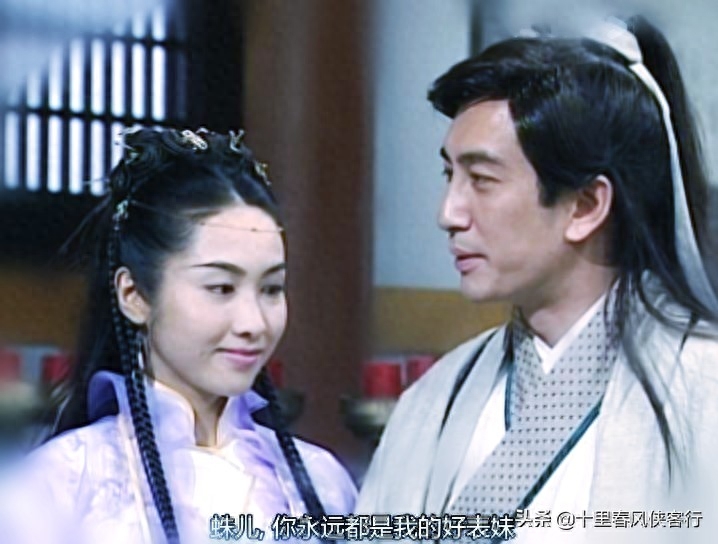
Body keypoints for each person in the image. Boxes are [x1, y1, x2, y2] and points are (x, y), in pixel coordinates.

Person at [356, 15, 718, 543]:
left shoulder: (705, 392)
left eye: (482, 179)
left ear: (586, 205)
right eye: (449, 175)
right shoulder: (433, 399)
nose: (448, 213)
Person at [0, 128, 356, 543]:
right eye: (221, 288)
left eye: (271, 289)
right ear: (134, 296)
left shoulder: (321, 483)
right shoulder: (57, 487)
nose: (254, 323)